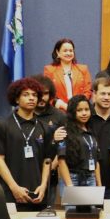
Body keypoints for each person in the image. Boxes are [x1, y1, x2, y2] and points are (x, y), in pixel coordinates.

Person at [0, 77, 53, 210]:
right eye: (26, 95)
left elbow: (47, 160)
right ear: (16, 99)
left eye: (35, 95)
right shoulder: (3, 125)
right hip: (11, 194)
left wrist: (43, 185)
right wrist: (14, 187)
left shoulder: (45, 127)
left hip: (37, 194)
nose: (31, 98)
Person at [57, 94, 101, 219]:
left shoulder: (91, 131)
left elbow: (96, 161)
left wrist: (99, 184)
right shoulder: (65, 131)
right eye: (80, 110)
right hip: (72, 180)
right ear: (72, 112)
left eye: (86, 110)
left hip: (90, 179)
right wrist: (70, 187)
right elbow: (61, 161)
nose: (84, 113)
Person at [31, 74, 67, 207]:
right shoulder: (23, 114)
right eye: (38, 94)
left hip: (51, 172)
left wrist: (52, 166)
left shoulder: (59, 116)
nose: (42, 98)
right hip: (27, 171)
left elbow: (64, 147)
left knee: (46, 210)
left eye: (45, 94)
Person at [43, 38, 92, 111]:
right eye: (65, 51)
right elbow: (47, 92)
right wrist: (62, 105)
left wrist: (78, 106)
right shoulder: (49, 70)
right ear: (58, 52)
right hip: (58, 111)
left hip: (79, 111)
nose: (68, 53)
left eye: (71, 51)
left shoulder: (83, 69)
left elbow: (88, 91)